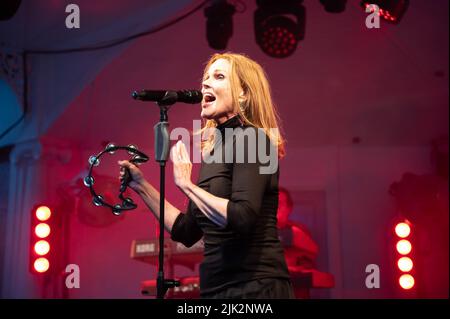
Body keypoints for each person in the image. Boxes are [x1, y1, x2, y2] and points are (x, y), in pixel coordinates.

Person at [119, 52, 294, 299]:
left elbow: (242, 217)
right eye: (205, 78)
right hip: (215, 290)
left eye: (219, 76)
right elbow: (187, 231)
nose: (205, 83)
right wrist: (141, 185)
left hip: (254, 287)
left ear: (244, 93)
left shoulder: (254, 139)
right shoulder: (212, 152)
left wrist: (187, 186)